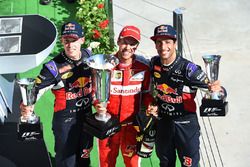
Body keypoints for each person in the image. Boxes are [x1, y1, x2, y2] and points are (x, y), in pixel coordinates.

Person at [149, 24, 226, 167]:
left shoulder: (189, 69)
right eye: (159, 42)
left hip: (185, 124)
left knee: (189, 164)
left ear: (175, 43)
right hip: (163, 122)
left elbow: (216, 89)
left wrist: (218, 91)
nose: (163, 46)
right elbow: (153, 89)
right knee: (165, 163)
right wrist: (153, 103)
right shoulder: (154, 63)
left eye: (167, 42)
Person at [20, 21, 93, 167]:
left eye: (74, 40)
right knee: (67, 162)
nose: (70, 45)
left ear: (82, 40)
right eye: (67, 41)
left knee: (85, 158)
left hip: (86, 118)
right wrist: (27, 105)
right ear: (62, 41)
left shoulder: (89, 56)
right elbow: (35, 89)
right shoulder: (53, 67)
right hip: (66, 121)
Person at [94, 25, 154, 167]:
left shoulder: (143, 67)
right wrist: (97, 104)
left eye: (132, 43)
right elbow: (95, 92)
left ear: (137, 46)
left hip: (132, 127)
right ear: (118, 41)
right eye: (124, 42)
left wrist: (149, 106)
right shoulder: (105, 64)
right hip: (107, 124)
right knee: (106, 163)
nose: (128, 47)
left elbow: (147, 93)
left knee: (132, 163)